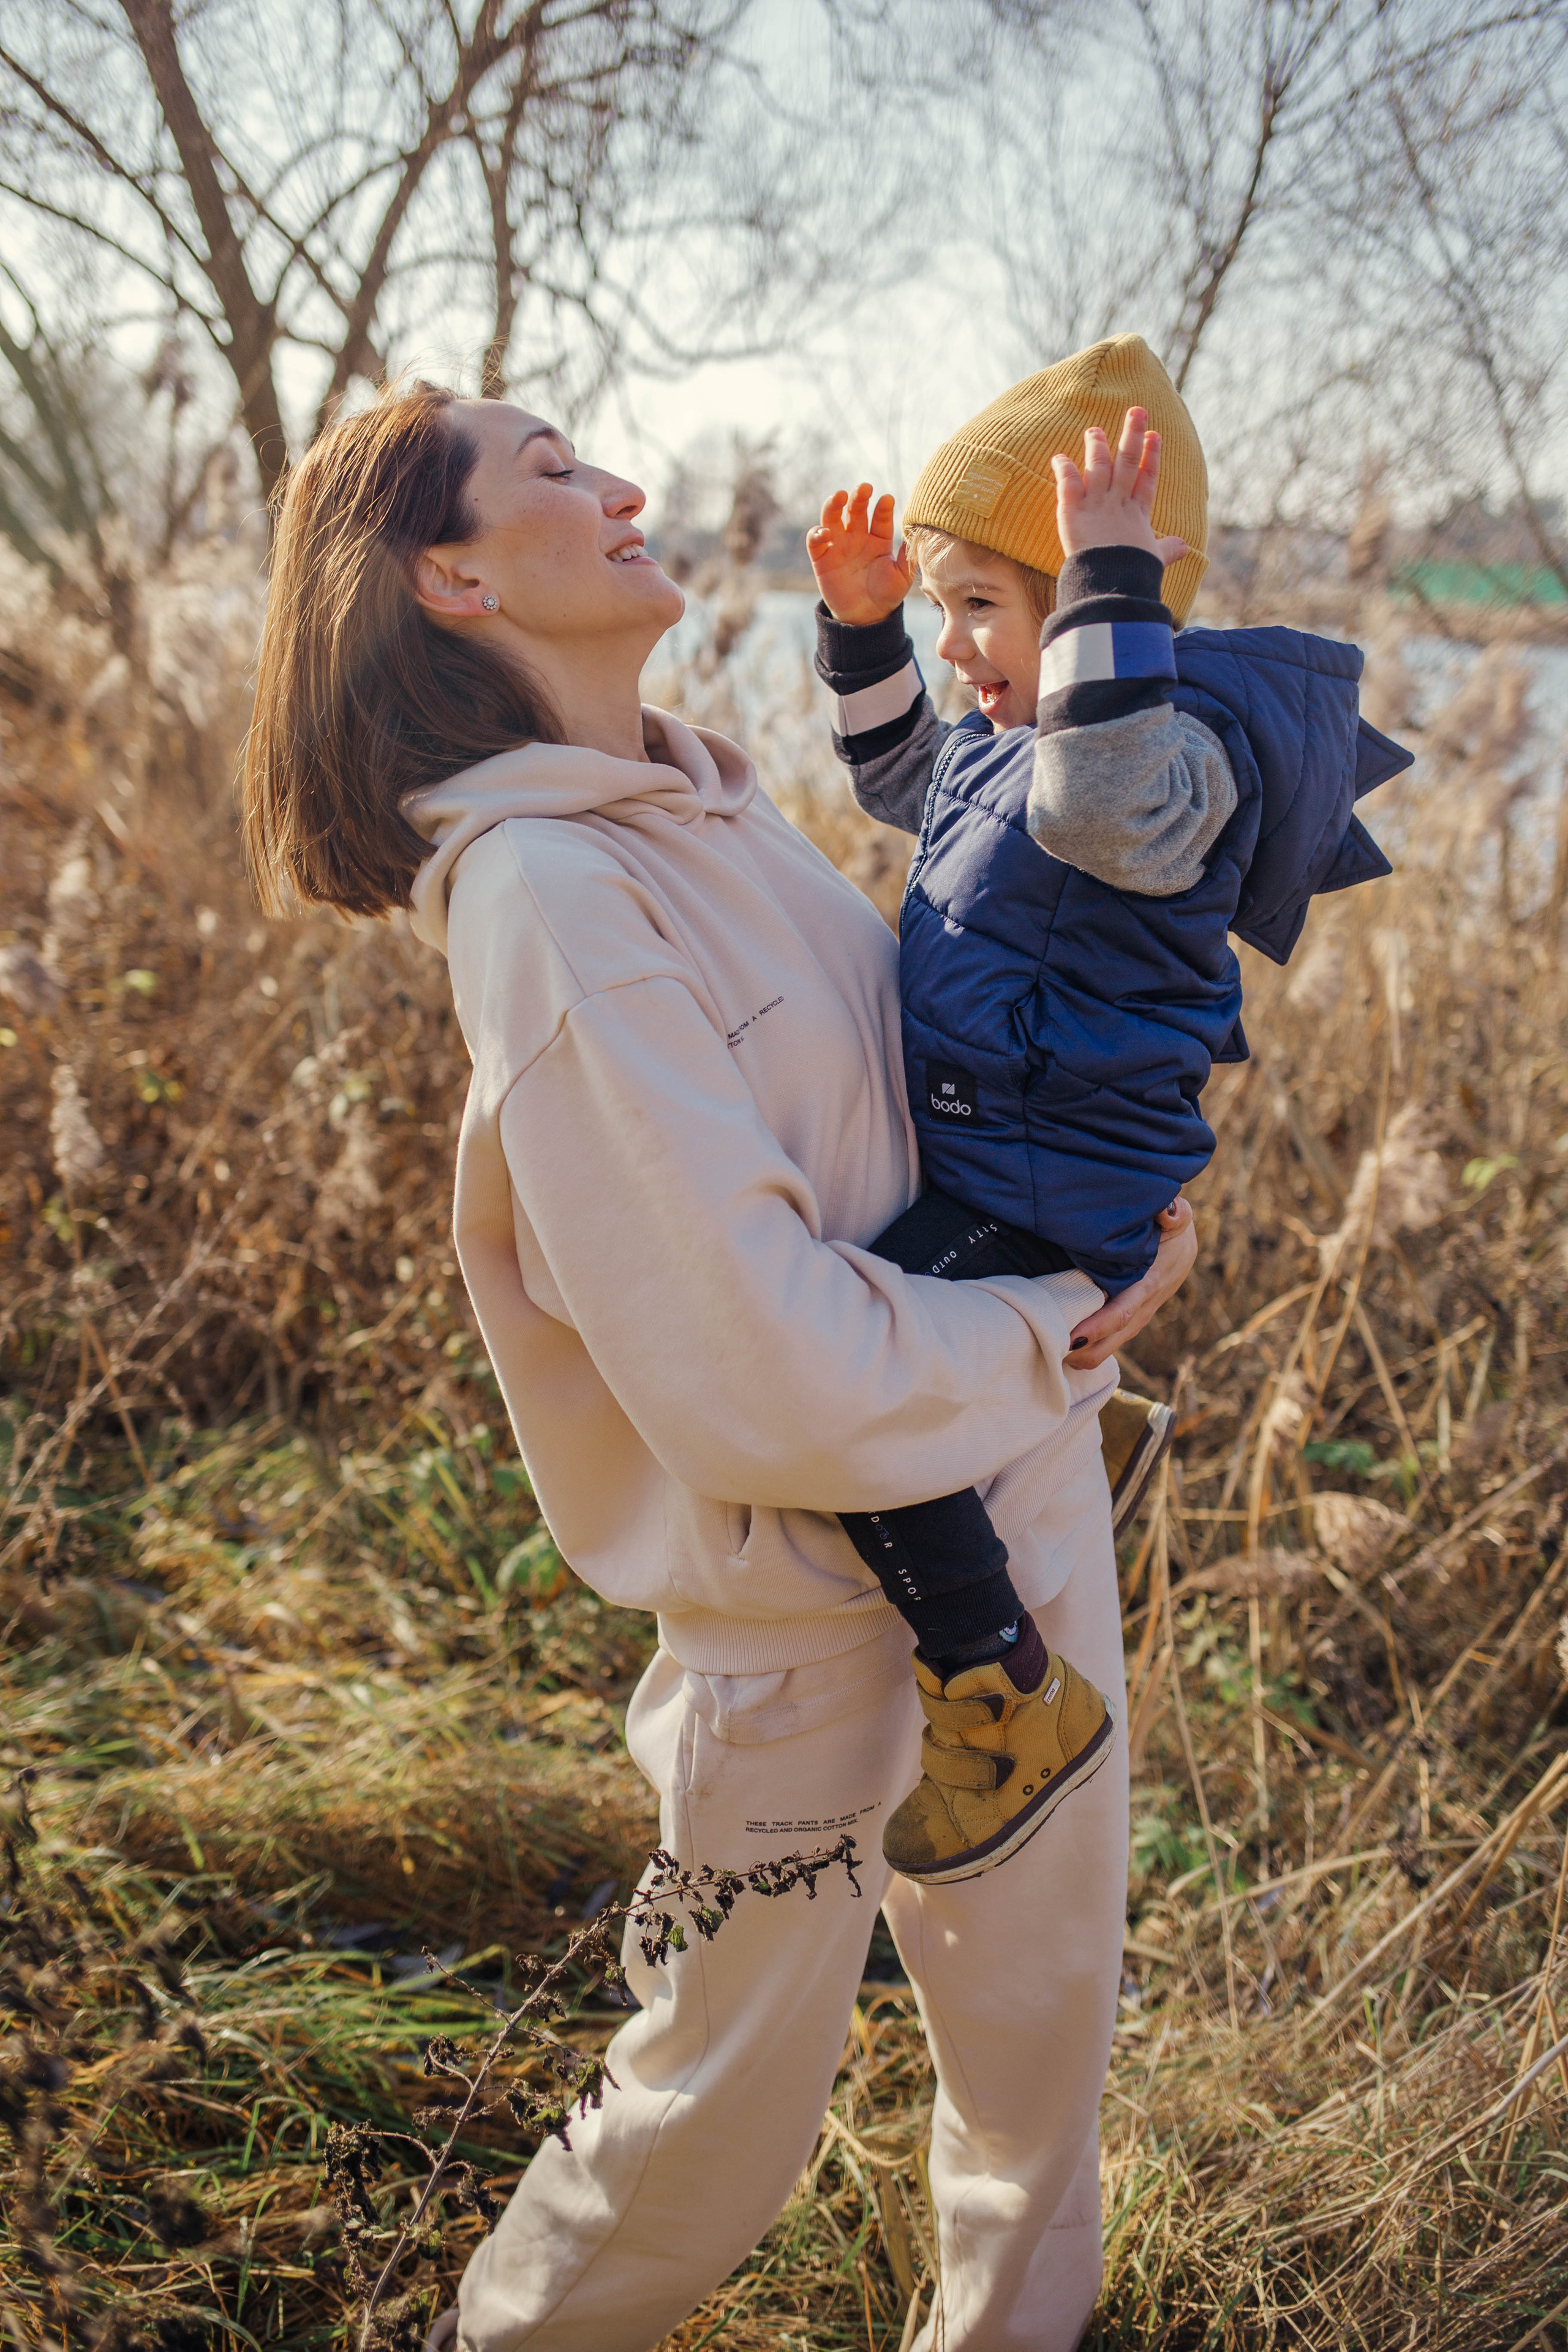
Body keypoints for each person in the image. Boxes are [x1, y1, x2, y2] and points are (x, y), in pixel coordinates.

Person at [241, 379, 1197, 2352]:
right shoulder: (553, 904)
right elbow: (756, 1368)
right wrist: (1041, 1326)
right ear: (452, 574)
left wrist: (1127, 1215)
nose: (624, 488)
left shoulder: (712, 812)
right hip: (806, 1634)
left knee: (1039, 2087)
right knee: (705, 2136)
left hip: (1014, 1522)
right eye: (555, 472)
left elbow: (934, 1111)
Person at [808, 335, 1411, 1887]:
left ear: (1100, 598)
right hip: (1001, 1150)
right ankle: (1018, 1551)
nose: (957, 648)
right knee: (852, 1374)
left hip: (1047, 1179)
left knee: (841, 1392)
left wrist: (1106, 589)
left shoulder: (1174, 756)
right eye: (944, 614)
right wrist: (862, 628)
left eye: (979, 607)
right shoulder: (1014, 743)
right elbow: (900, 787)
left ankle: (997, 1689)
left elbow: (1096, 801)